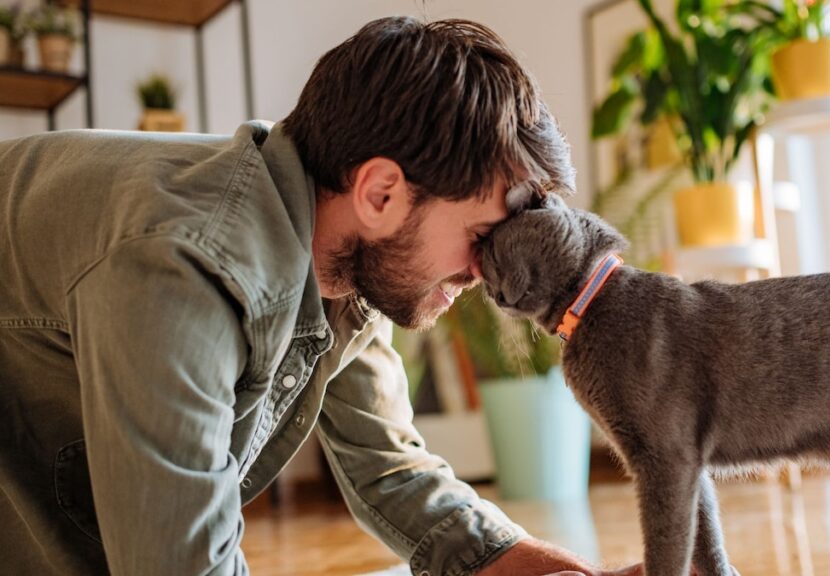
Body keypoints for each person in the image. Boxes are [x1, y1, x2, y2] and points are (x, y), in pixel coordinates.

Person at [0, 15, 641, 576]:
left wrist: (564, 572)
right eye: (480, 235)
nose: (486, 272)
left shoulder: (346, 258)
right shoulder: (183, 269)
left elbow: (388, 466)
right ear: (380, 192)